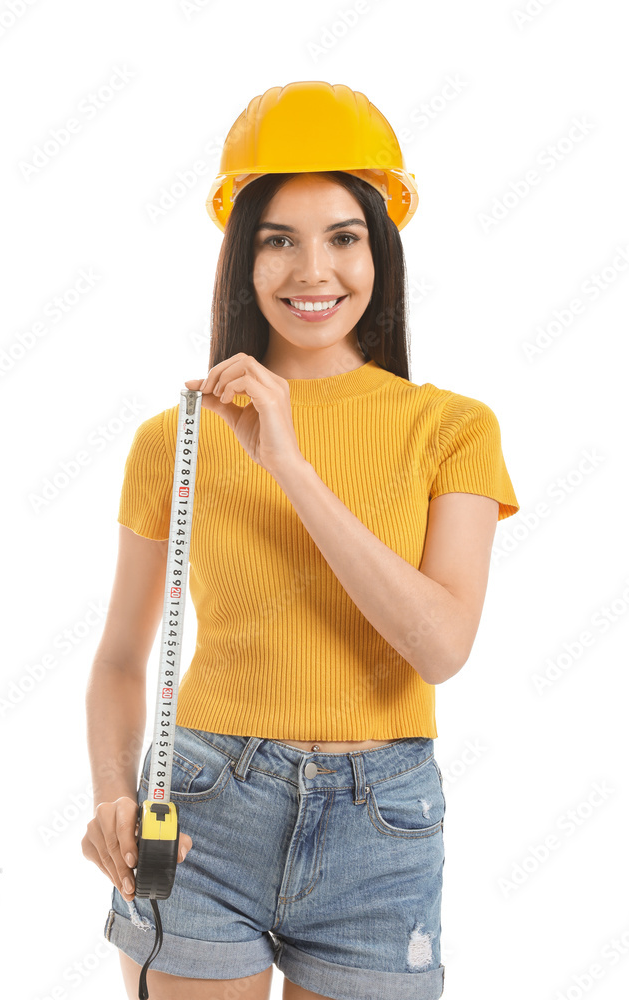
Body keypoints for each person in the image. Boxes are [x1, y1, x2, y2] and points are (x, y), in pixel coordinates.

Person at [82, 81, 520, 1000]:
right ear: (242, 258)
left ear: (380, 251)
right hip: (200, 811)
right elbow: (122, 658)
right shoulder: (177, 439)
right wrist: (111, 795)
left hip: (382, 827)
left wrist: (288, 461)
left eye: (343, 237)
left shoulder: (453, 429)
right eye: (278, 239)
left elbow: (440, 646)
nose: (311, 271)